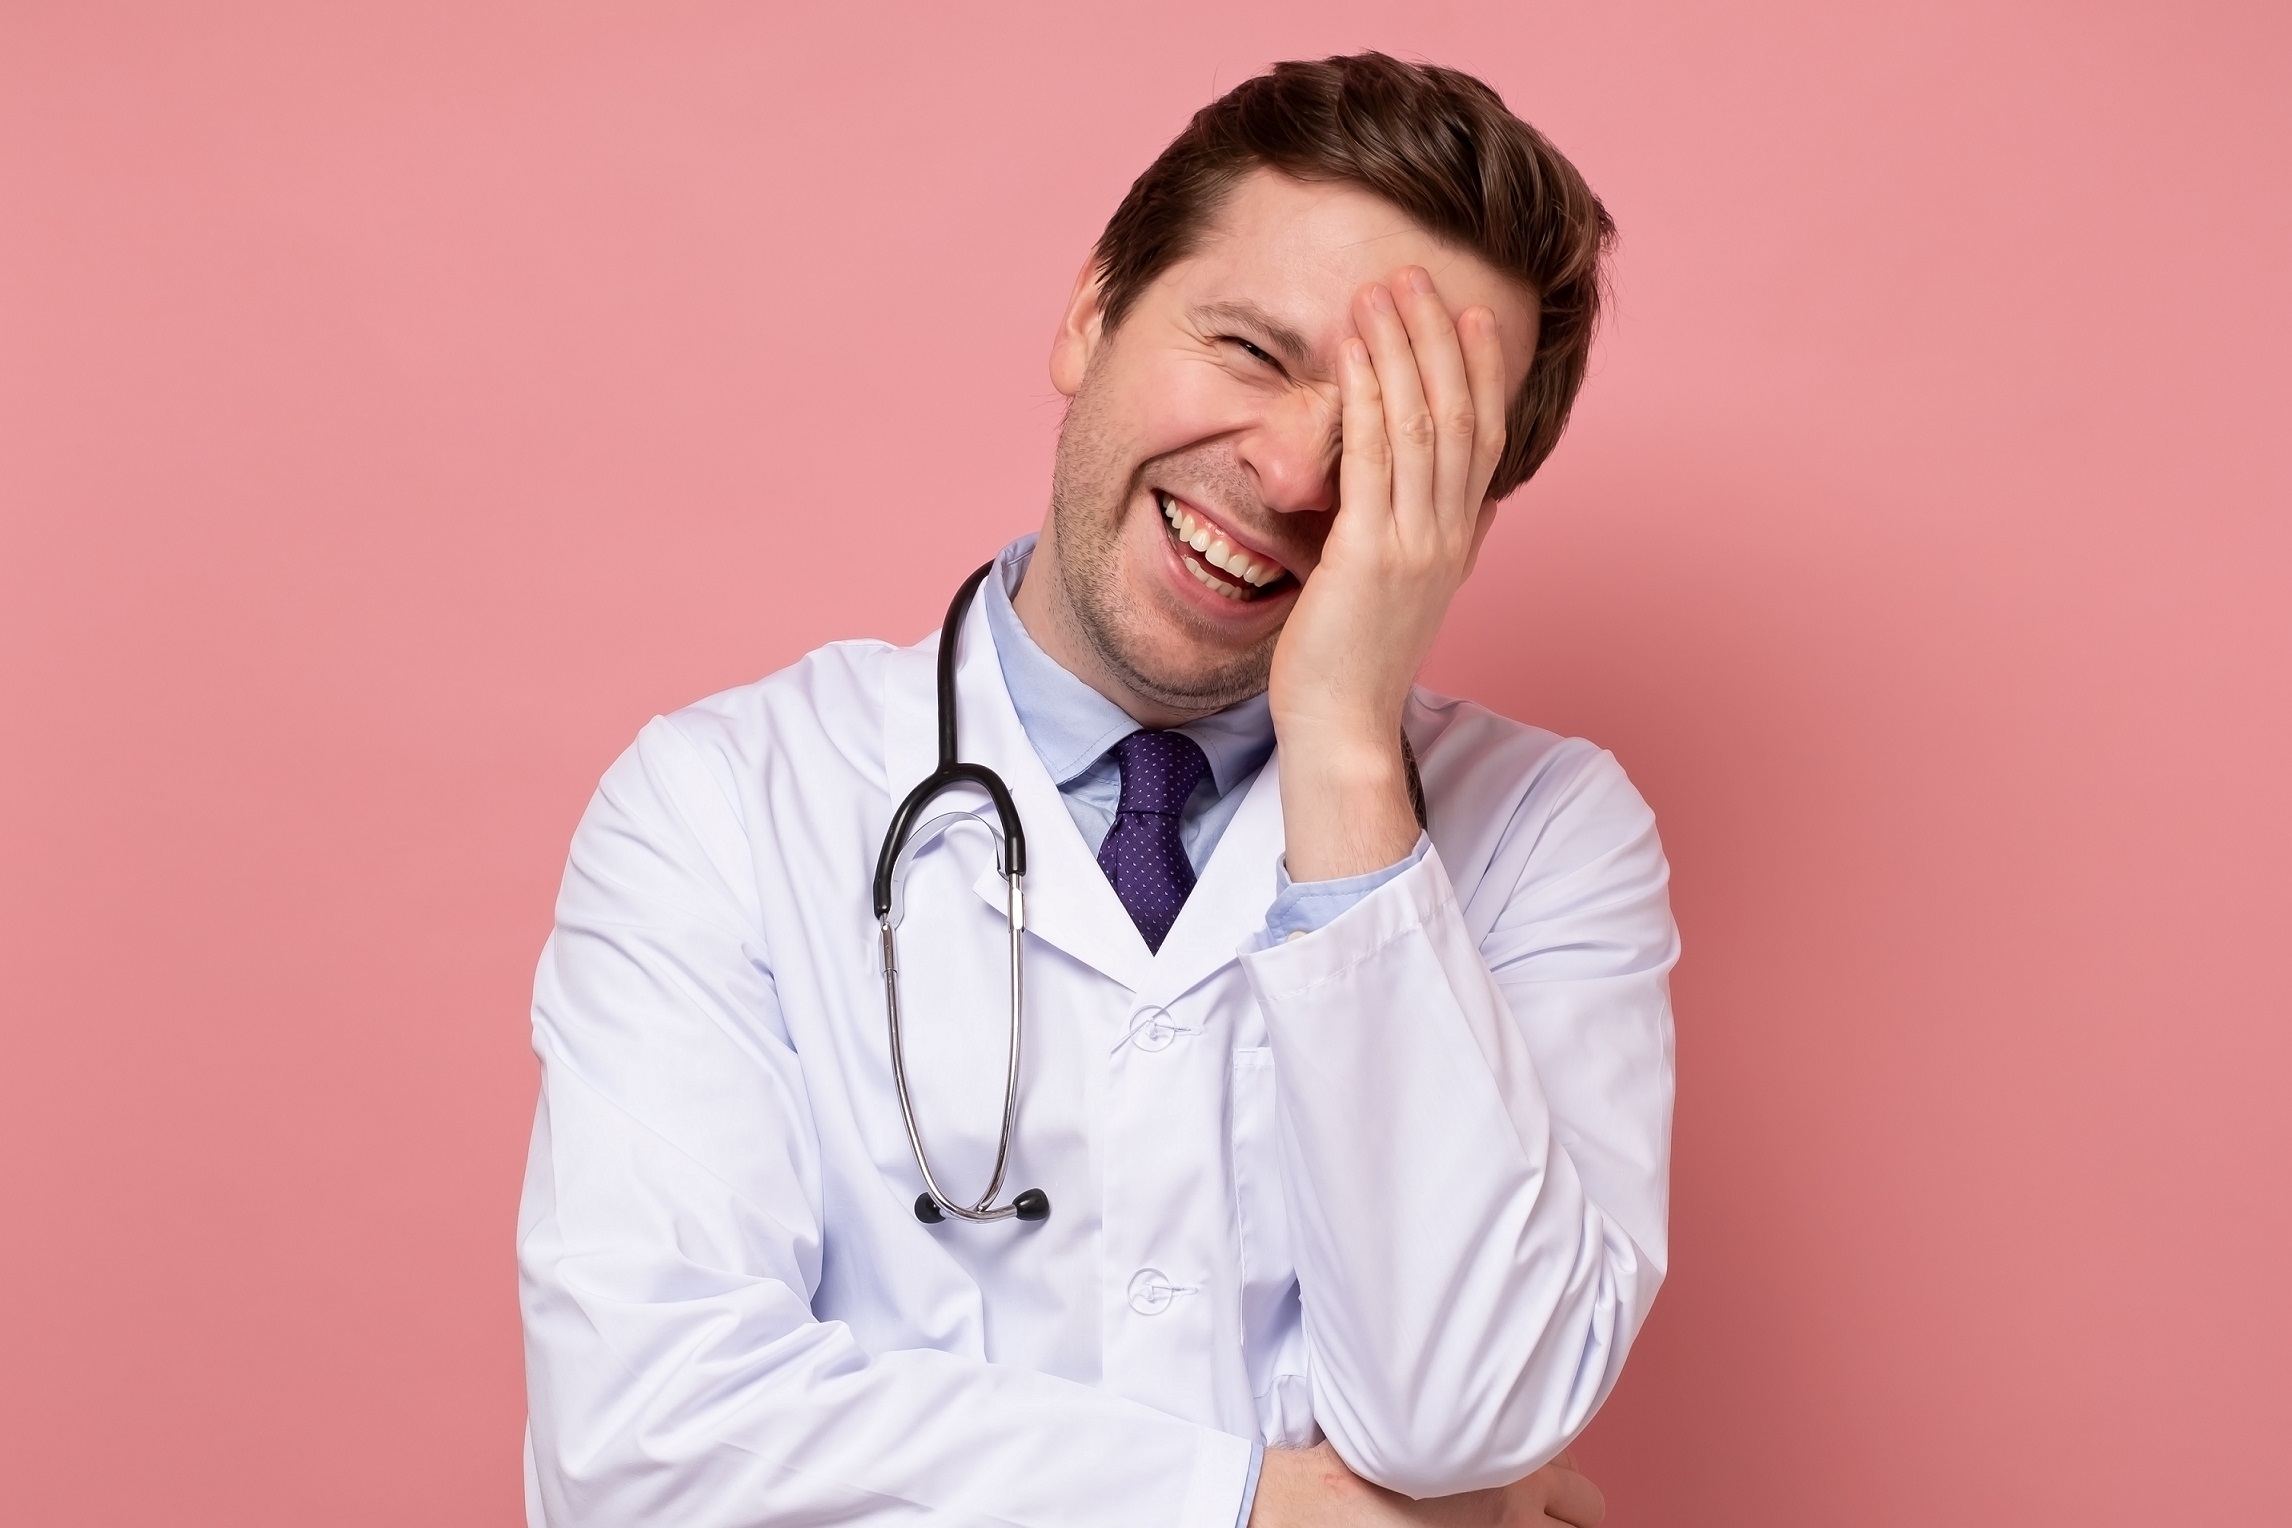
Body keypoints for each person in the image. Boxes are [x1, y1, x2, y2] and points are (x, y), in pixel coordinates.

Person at [519, 52, 1676, 1528]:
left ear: (1467, 514)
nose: (1291, 472)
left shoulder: (1546, 837)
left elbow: (1466, 1411)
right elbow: (642, 1450)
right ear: (1091, 312)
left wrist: (1338, 743)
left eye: (1396, 445)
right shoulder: (723, 803)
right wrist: (1257, 1508)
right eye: (1255, 352)